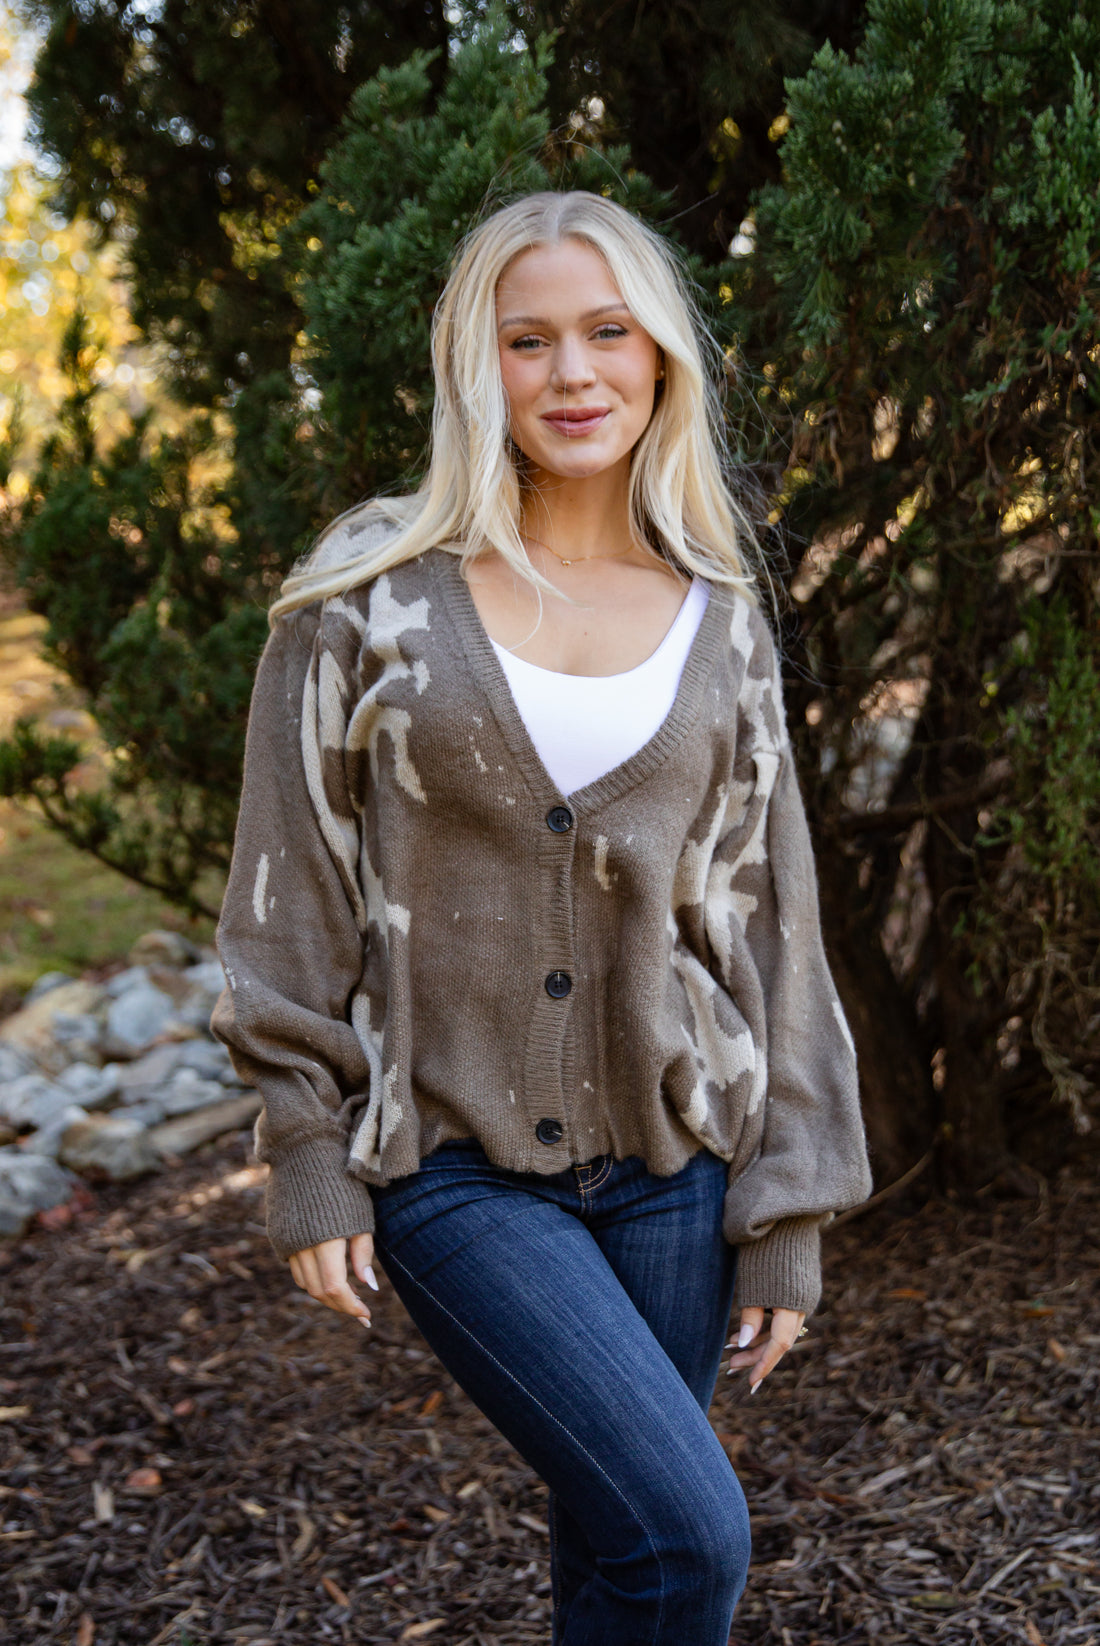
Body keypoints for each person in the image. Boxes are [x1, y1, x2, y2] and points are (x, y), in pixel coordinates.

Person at [211, 189, 873, 1644]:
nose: (572, 373)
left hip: (675, 1169)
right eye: (528, 340)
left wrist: (788, 1214)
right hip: (453, 1166)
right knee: (691, 1537)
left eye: (606, 332)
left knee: (618, 1556)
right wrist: (306, 1151)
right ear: (475, 364)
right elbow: (286, 888)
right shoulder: (369, 596)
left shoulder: (720, 609)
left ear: (660, 360)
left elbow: (774, 924)